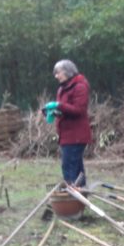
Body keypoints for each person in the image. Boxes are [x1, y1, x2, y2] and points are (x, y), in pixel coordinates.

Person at [43, 59, 92, 187]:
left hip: (76, 135)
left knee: (69, 167)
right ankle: (80, 197)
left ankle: (72, 197)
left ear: (67, 72)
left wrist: (59, 105)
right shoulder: (62, 88)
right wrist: (52, 112)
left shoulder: (80, 86)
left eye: (58, 73)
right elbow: (64, 111)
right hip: (66, 134)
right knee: (76, 167)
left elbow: (79, 110)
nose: (56, 76)